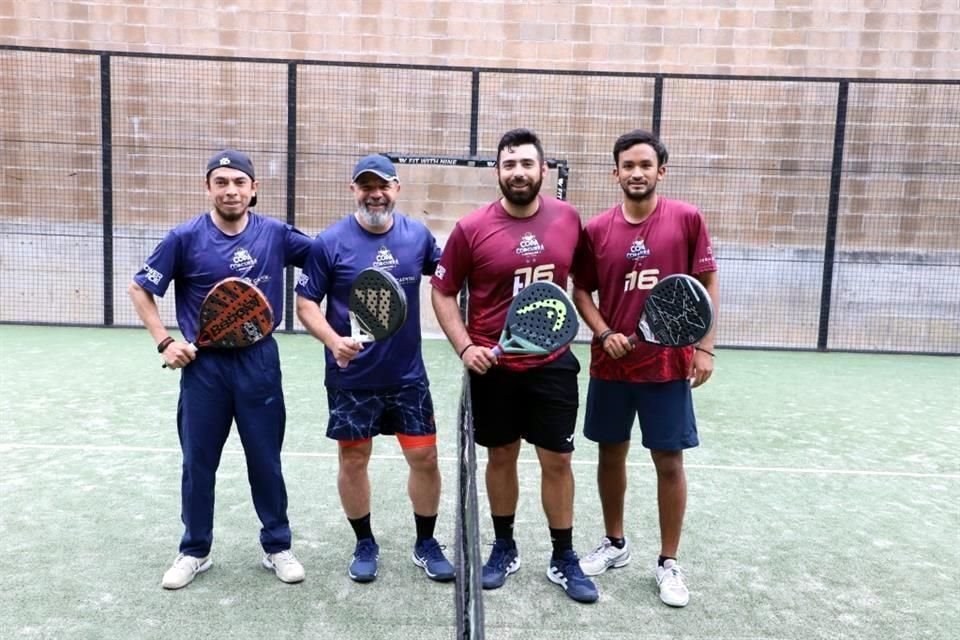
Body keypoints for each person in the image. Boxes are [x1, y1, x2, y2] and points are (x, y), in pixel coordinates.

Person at [129, 149, 312, 590]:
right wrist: (166, 341)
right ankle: (194, 550)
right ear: (208, 187)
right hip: (204, 369)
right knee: (198, 463)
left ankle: (277, 546)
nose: (231, 190)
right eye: (221, 182)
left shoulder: (276, 234)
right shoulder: (183, 237)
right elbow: (140, 288)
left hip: (259, 364)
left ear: (253, 189)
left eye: (239, 182)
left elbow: (325, 259)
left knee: (265, 460)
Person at [431, 128, 598, 604]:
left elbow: (582, 282)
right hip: (493, 368)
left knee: (558, 460)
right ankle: (503, 547)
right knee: (500, 456)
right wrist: (465, 347)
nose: (518, 172)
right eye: (509, 164)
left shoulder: (568, 219)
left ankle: (563, 556)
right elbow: (442, 290)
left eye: (527, 163)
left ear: (544, 171)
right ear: (498, 172)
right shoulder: (471, 228)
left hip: (552, 365)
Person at [571, 129, 719, 608]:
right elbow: (582, 293)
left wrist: (704, 347)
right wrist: (602, 332)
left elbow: (706, 284)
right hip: (611, 368)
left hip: (668, 367)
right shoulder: (595, 230)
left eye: (645, 165)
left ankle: (668, 561)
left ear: (661, 171)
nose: (636, 173)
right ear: (615, 173)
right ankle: (615, 544)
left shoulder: (687, 219)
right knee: (609, 456)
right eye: (627, 166)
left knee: (669, 462)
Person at [295, 154, 455, 584]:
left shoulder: (417, 236)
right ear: (354, 191)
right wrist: (333, 341)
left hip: (408, 377)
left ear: (397, 189)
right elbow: (306, 304)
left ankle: (425, 542)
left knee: (424, 457)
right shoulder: (328, 243)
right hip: (352, 378)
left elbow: (447, 277)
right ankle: (364, 541)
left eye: (382, 185)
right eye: (365, 186)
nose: (375, 194)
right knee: (353, 459)